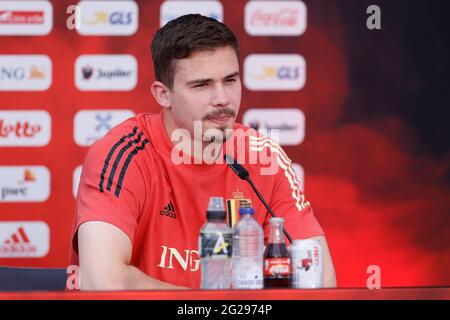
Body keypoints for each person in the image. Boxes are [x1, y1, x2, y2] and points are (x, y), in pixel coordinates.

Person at [69, 14, 336, 290]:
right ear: (163, 94)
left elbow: (320, 279)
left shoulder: (264, 156)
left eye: (230, 80)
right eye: (202, 85)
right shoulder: (123, 154)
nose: (222, 99)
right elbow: (102, 280)